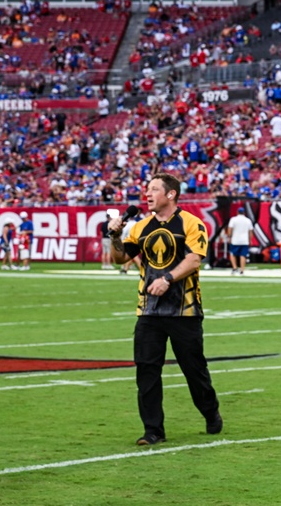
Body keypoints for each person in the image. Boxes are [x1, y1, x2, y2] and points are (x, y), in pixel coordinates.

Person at [108, 173, 222, 446]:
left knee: (194, 370)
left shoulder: (192, 223)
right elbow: (120, 258)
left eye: (154, 189)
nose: (147, 194)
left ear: (171, 194)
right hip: (149, 310)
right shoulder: (140, 227)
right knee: (146, 371)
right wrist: (115, 235)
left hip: (185, 311)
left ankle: (210, 411)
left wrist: (167, 279)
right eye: (147, 189)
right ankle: (153, 430)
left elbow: (194, 260)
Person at [226, 206, 254, 275]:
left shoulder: (233, 219)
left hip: (235, 240)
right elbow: (250, 231)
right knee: (243, 255)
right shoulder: (248, 220)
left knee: (233, 254)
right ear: (244, 213)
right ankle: (242, 270)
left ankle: (235, 268)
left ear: (237, 212)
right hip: (244, 240)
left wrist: (229, 237)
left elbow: (230, 229)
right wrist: (250, 240)